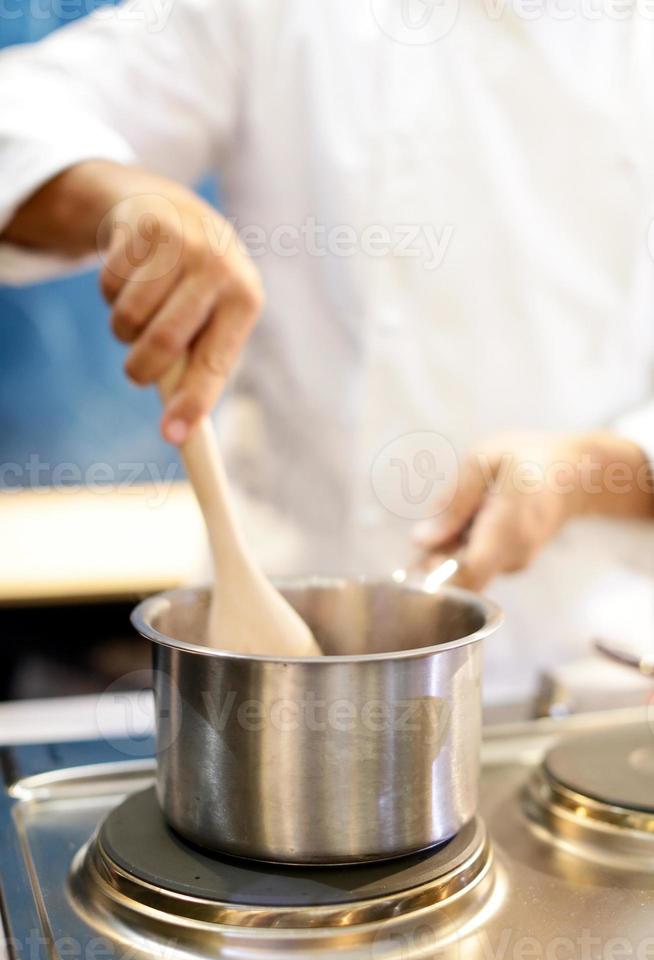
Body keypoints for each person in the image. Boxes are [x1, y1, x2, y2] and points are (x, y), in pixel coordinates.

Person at [1, 0, 654, 705]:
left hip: (588, 679)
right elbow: (21, 111)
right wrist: (124, 197)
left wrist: (597, 469)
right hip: (275, 679)